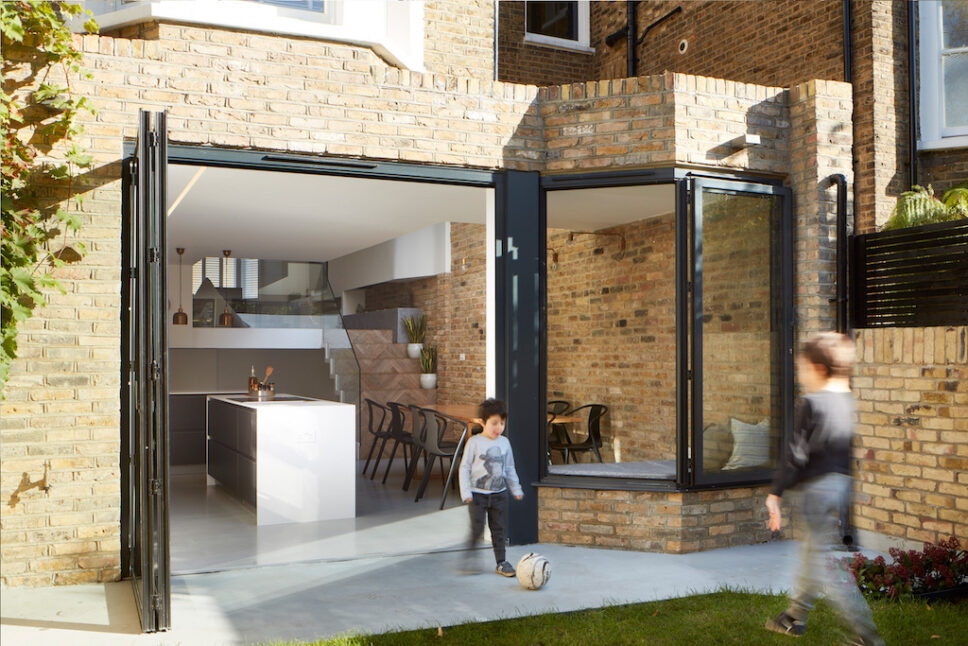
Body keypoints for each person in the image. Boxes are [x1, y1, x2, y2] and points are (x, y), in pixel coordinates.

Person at [765, 332, 884, 646]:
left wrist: (775, 493)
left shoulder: (812, 403)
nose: (801, 374)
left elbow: (796, 455)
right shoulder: (846, 399)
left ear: (818, 368)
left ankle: (866, 635)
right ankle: (793, 617)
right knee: (812, 556)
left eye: (802, 367)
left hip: (817, 491)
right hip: (839, 486)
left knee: (826, 566)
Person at [458, 398, 523, 576]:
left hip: (499, 495)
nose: (498, 427)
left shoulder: (504, 443)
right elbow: (464, 468)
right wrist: (466, 492)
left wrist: (516, 489)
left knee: (499, 529)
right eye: (494, 423)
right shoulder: (474, 443)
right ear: (482, 422)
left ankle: (501, 562)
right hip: (477, 495)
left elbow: (509, 468)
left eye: (502, 423)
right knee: (477, 529)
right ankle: (470, 559)